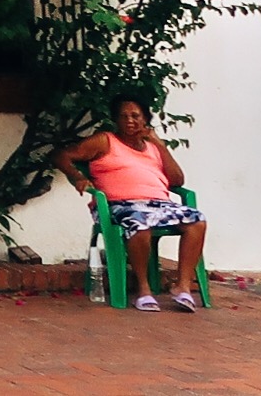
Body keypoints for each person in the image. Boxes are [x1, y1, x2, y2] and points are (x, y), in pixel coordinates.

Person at [55, 97, 208, 311]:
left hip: (159, 205)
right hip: (119, 205)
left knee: (197, 222)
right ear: (116, 120)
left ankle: (182, 287)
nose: (129, 120)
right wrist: (77, 176)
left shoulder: (154, 148)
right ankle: (144, 290)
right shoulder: (105, 141)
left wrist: (161, 146)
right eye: (123, 116)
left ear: (145, 118)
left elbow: (177, 181)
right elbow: (62, 155)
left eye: (135, 116)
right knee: (140, 225)